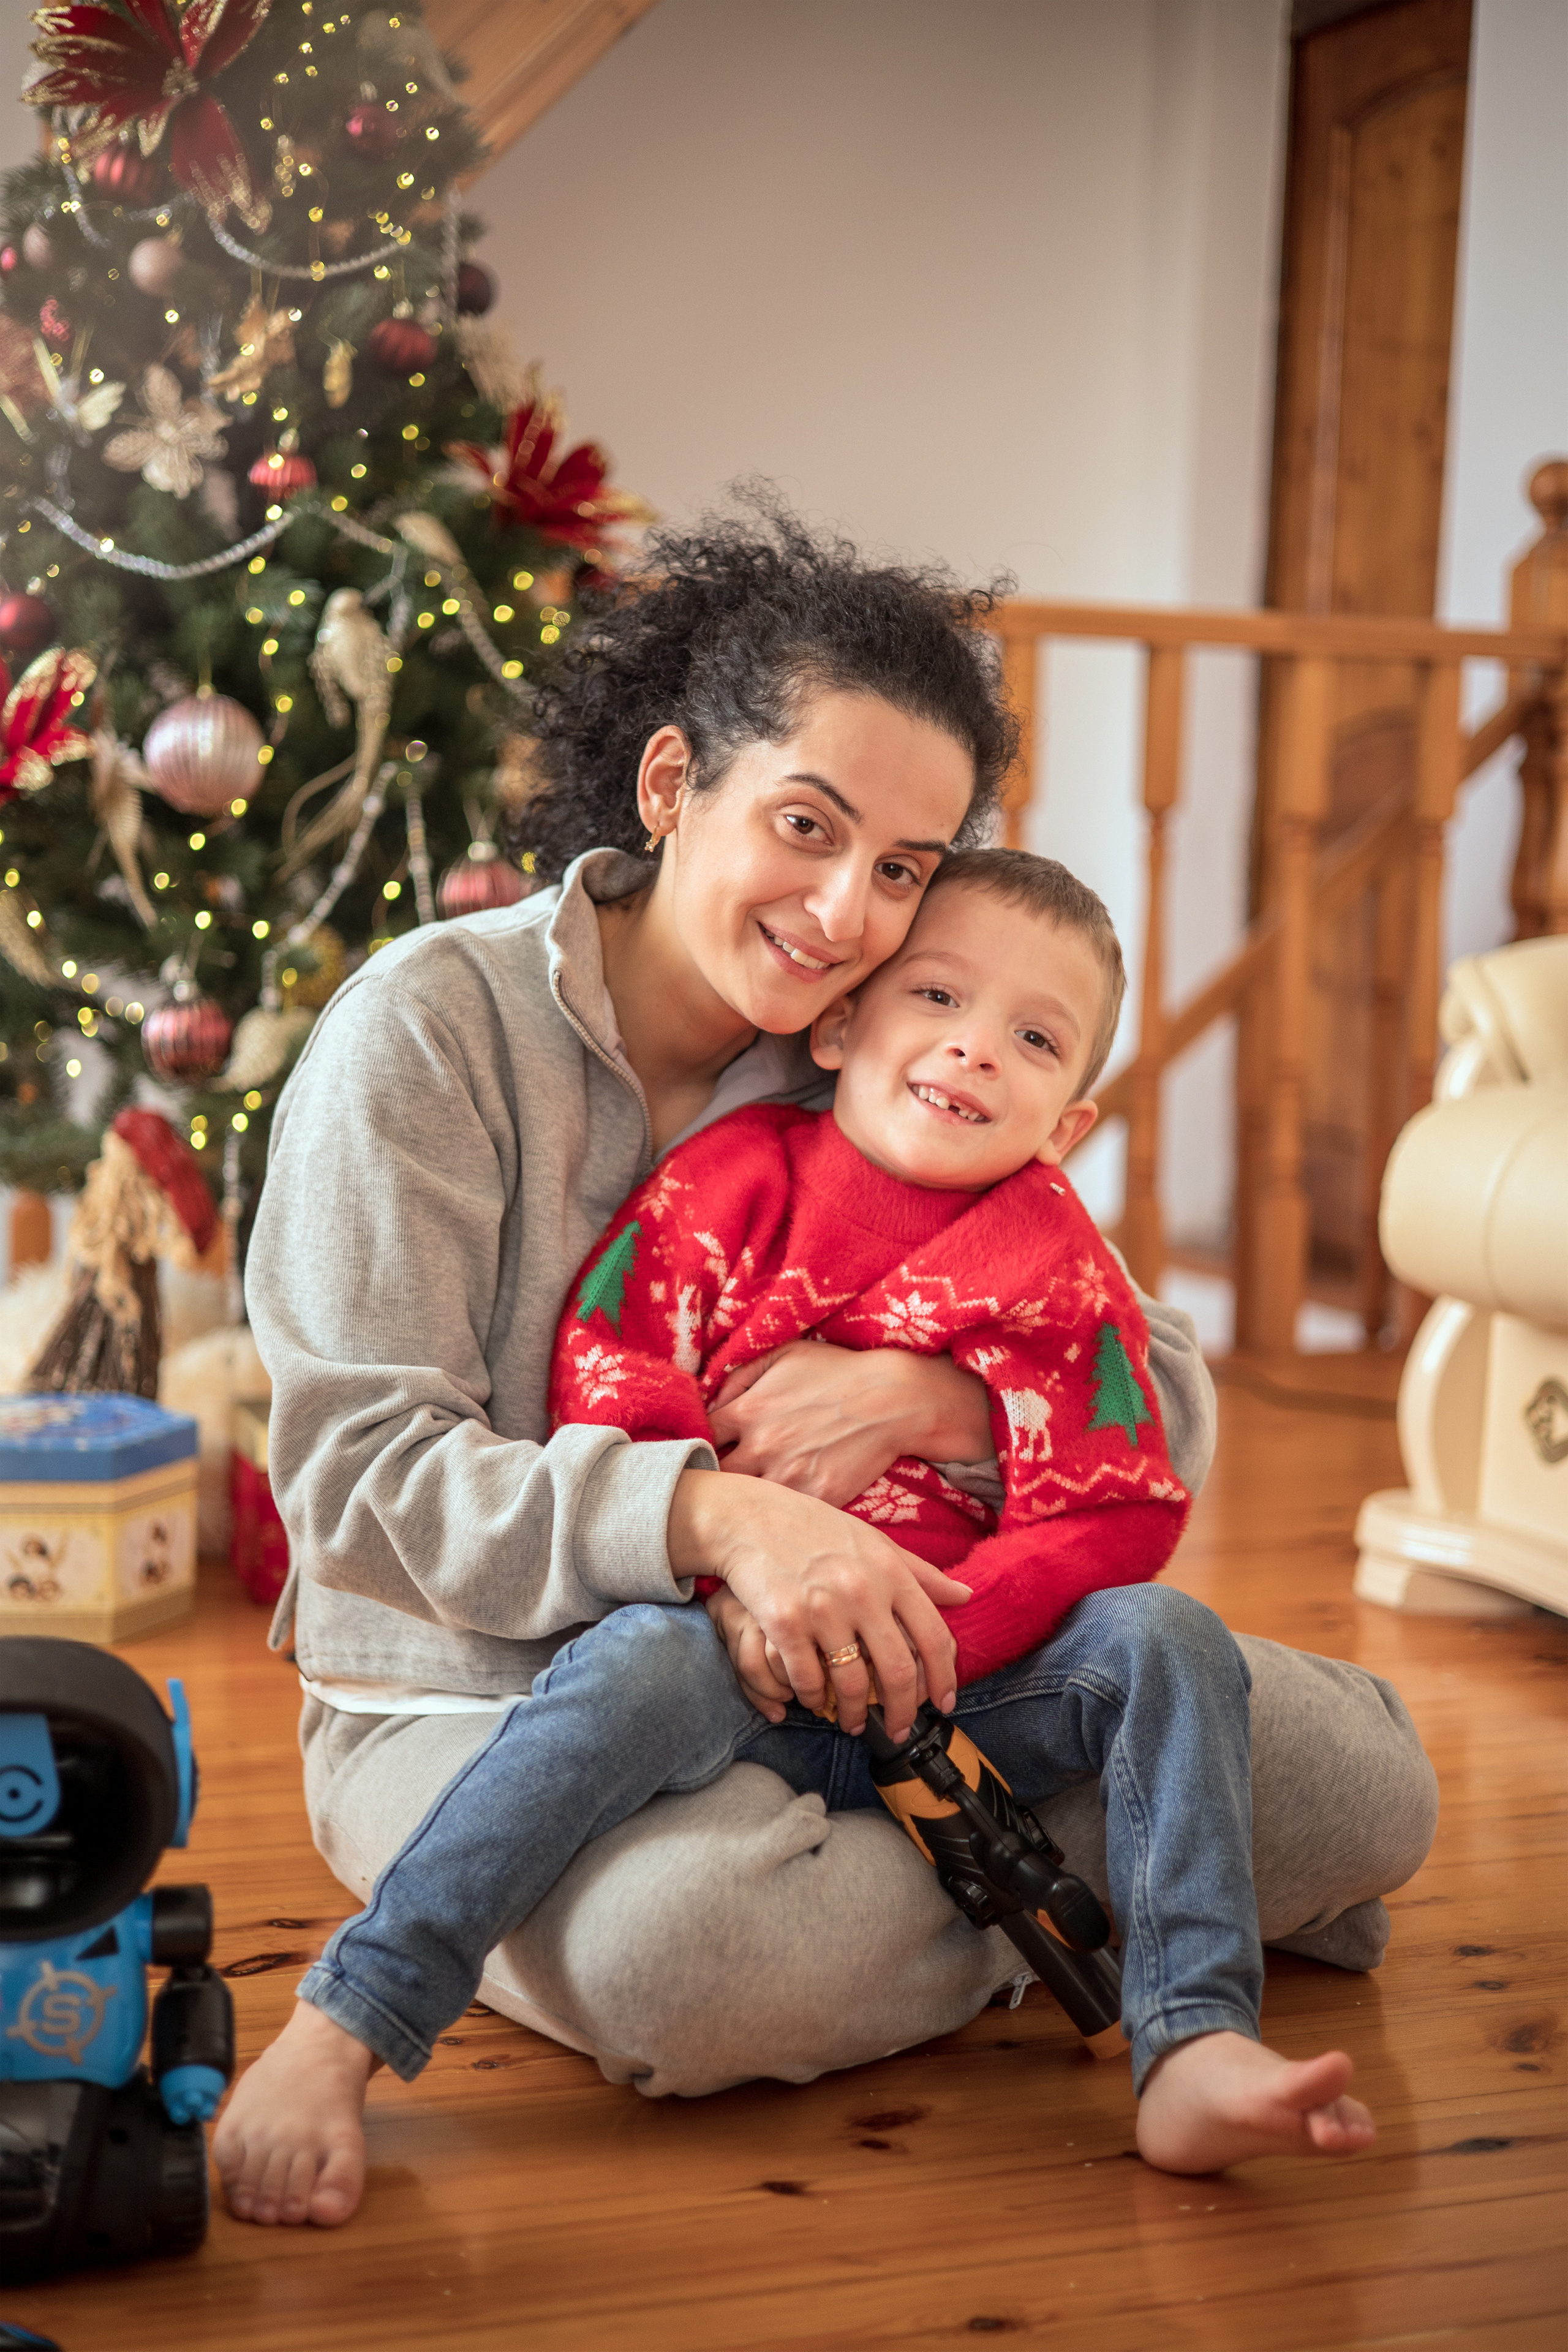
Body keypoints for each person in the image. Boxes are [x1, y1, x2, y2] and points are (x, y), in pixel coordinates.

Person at [224, 505, 1438, 2228]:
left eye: (903, 869)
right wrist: (720, 1520)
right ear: (671, 785)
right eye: (807, 826)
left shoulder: (879, 1044)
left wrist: (934, 1403)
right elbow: (358, 1486)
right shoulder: (428, 1035)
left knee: (1373, 1782)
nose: (845, 913)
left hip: (915, 1663)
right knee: (687, 1958)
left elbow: (1148, 1385)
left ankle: (1107, 1936)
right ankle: (1119, 1900)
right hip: (498, 1696)